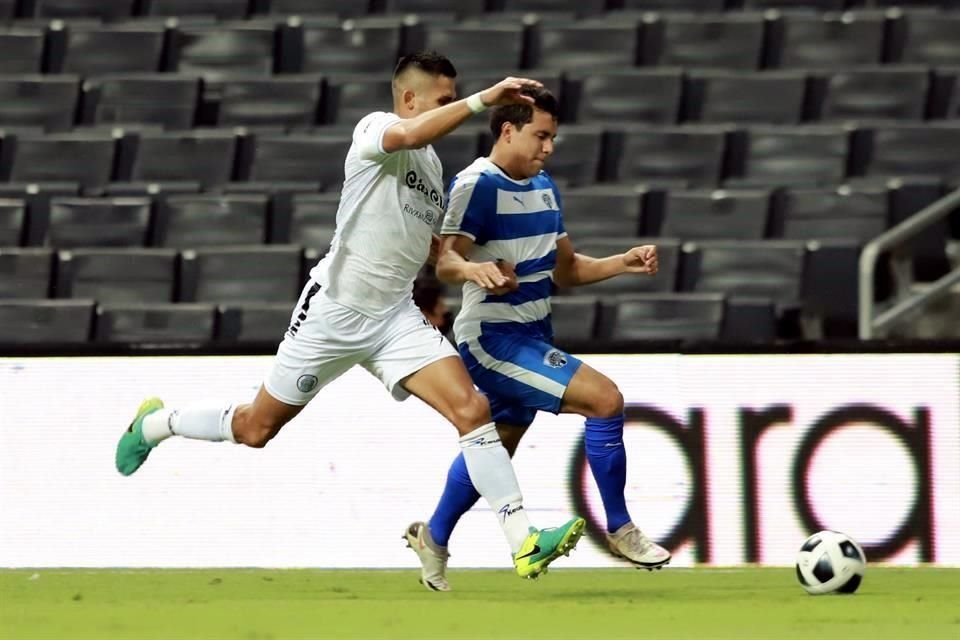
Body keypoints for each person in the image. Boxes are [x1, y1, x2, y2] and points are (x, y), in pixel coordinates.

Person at [114, 52, 584, 584]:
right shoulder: (378, 131)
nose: (453, 109)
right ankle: (155, 424)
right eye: (444, 100)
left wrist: (472, 269)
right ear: (409, 99)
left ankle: (522, 541)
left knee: (472, 409)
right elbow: (407, 136)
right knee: (255, 428)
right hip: (334, 311)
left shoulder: (431, 168)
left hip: (394, 317)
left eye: (456, 99)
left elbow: (431, 249)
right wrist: (483, 100)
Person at [403, 86, 671, 592]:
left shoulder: (545, 186)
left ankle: (433, 538)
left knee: (496, 443)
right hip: (491, 337)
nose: (548, 147)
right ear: (508, 130)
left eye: (552, 137)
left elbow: (565, 271)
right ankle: (620, 529)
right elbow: (445, 260)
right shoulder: (476, 185)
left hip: (533, 329)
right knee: (605, 400)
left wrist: (622, 262)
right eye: (540, 135)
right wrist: (475, 270)